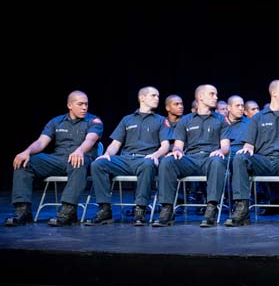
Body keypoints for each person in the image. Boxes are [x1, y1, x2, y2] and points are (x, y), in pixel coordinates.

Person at [5, 90, 104, 227]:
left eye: (86, 104)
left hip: (82, 158)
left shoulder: (94, 121)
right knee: (25, 163)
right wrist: (26, 151)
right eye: (80, 104)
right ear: (70, 105)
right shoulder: (56, 121)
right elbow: (41, 142)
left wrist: (79, 150)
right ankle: (23, 211)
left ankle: (68, 212)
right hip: (58, 159)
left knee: (78, 162)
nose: (84, 107)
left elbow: (91, 139)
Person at [84, 87, 171, 226]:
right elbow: (115, 144)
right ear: (142, 98)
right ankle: (104, 209)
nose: (157, 98)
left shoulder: (161, 120)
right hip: (126, 159)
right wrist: (106, 155)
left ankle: (140, 209)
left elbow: (165, 145)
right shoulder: (127, 119)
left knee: (147, 164)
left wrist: (155, 155)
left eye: (158, 96)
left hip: (145, 159)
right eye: (153, 95)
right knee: (98, 164)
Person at [226, 80, 279, 228]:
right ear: (274, 93)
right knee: (240, 157)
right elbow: (249, 143)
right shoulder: (258, 117)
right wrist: (248, 148)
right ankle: (242, 208)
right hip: (262, 161)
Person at [152, 84, 230, 227]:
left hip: (210, 158)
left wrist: (220, 151)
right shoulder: (185, 120)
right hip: (191, 159)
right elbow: (178, 145)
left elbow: (225, 145)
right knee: (167, 161)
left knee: (218, 161)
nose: (216, 97)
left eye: (216, 94)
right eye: (212, 94)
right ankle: (167, 209)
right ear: (200, 97)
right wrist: (176, 151)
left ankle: (211, 209)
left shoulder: (221, 119)